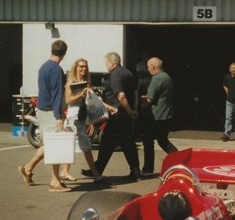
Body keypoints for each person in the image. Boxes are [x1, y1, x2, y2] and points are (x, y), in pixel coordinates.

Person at [17, 40, 71, 192]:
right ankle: (54, 181)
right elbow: (57, 94)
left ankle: (28, 168)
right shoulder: (56, 70)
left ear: (52, 50)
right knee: (56, 145)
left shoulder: (44, 67)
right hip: (50, 111)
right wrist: (59, 116)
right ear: (64, 53)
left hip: (42, 109)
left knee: (49, 145)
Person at [81, 52, 141, 181]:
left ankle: (97, 169)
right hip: (124, 113)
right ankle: (135, 170)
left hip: (117, 113)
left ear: (113, 63)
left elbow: (121, 95)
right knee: (126, 142)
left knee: (108, 141)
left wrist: (129, 110)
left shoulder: (115, 75)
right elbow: (133, 93)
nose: (106, 66)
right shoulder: (128, 73)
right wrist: (131, 110)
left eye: (107, 63)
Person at [59, 58, 116, 183]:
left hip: (81, 117)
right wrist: (81, 94)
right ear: (76, 68)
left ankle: (65, 171)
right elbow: (68, 100)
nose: (83, 69)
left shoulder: (86, 83)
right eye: (81, 66)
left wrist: (109, 107)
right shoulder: (70, 83)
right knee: (84, 146)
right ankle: (95, 174)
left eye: (85, 67)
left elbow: (94, 99)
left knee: (73, 145)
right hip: (73, 117)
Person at [140, 57, 178, 176]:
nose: (147, 69)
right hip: (166, 115)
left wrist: (143, 100)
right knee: (163, 140)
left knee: (148, 141)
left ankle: (147, 169)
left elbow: (150, 99)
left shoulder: (156, 79)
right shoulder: (167, 77)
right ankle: (180, 160)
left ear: (153, 67)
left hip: (156, 116)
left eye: (148, 66)